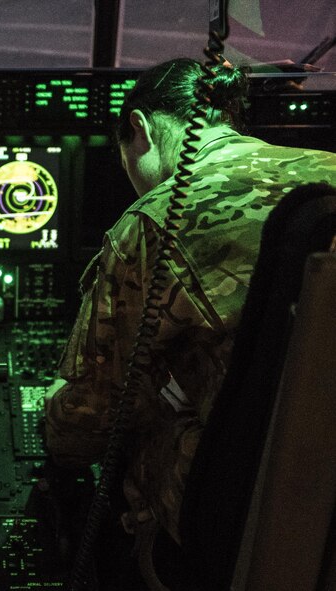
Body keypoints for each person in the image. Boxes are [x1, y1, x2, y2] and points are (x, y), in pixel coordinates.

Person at [44, 57, 336, 568]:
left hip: (245, 507)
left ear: (141, 131)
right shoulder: (328, 168)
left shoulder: (156, 222)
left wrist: (48, 404)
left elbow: (82, 428)